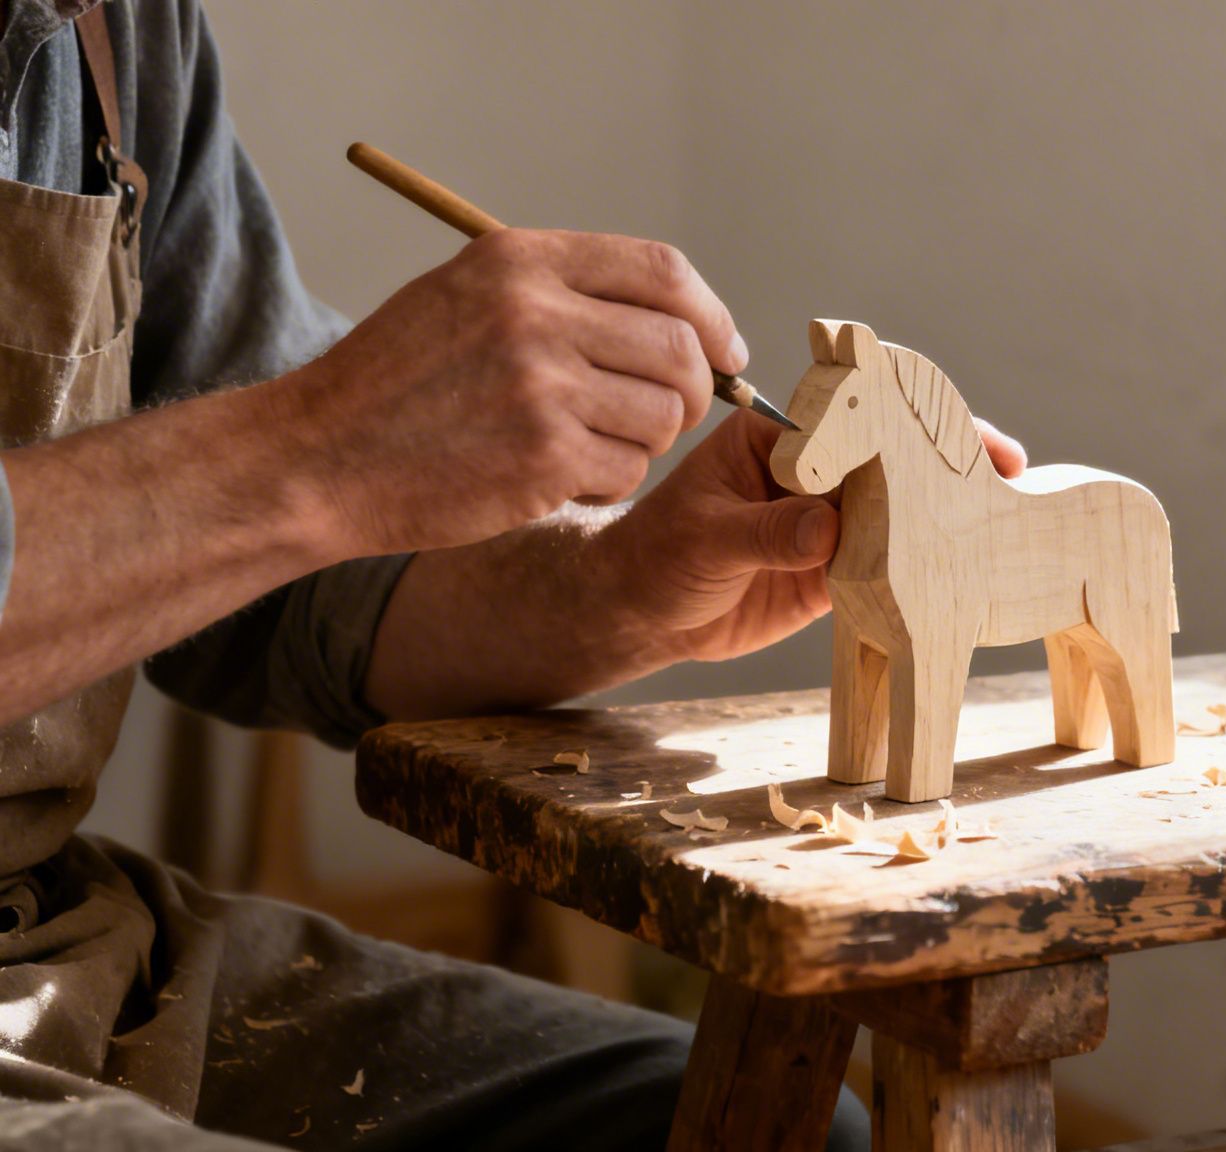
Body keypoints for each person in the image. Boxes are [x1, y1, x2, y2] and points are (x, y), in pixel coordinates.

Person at [0, 1, 1028, 1148]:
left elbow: (270, 599)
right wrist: (322, 446)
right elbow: (277, 483)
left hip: (58, 937)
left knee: (769, 1132)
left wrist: (622, 583)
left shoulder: (118, 27)